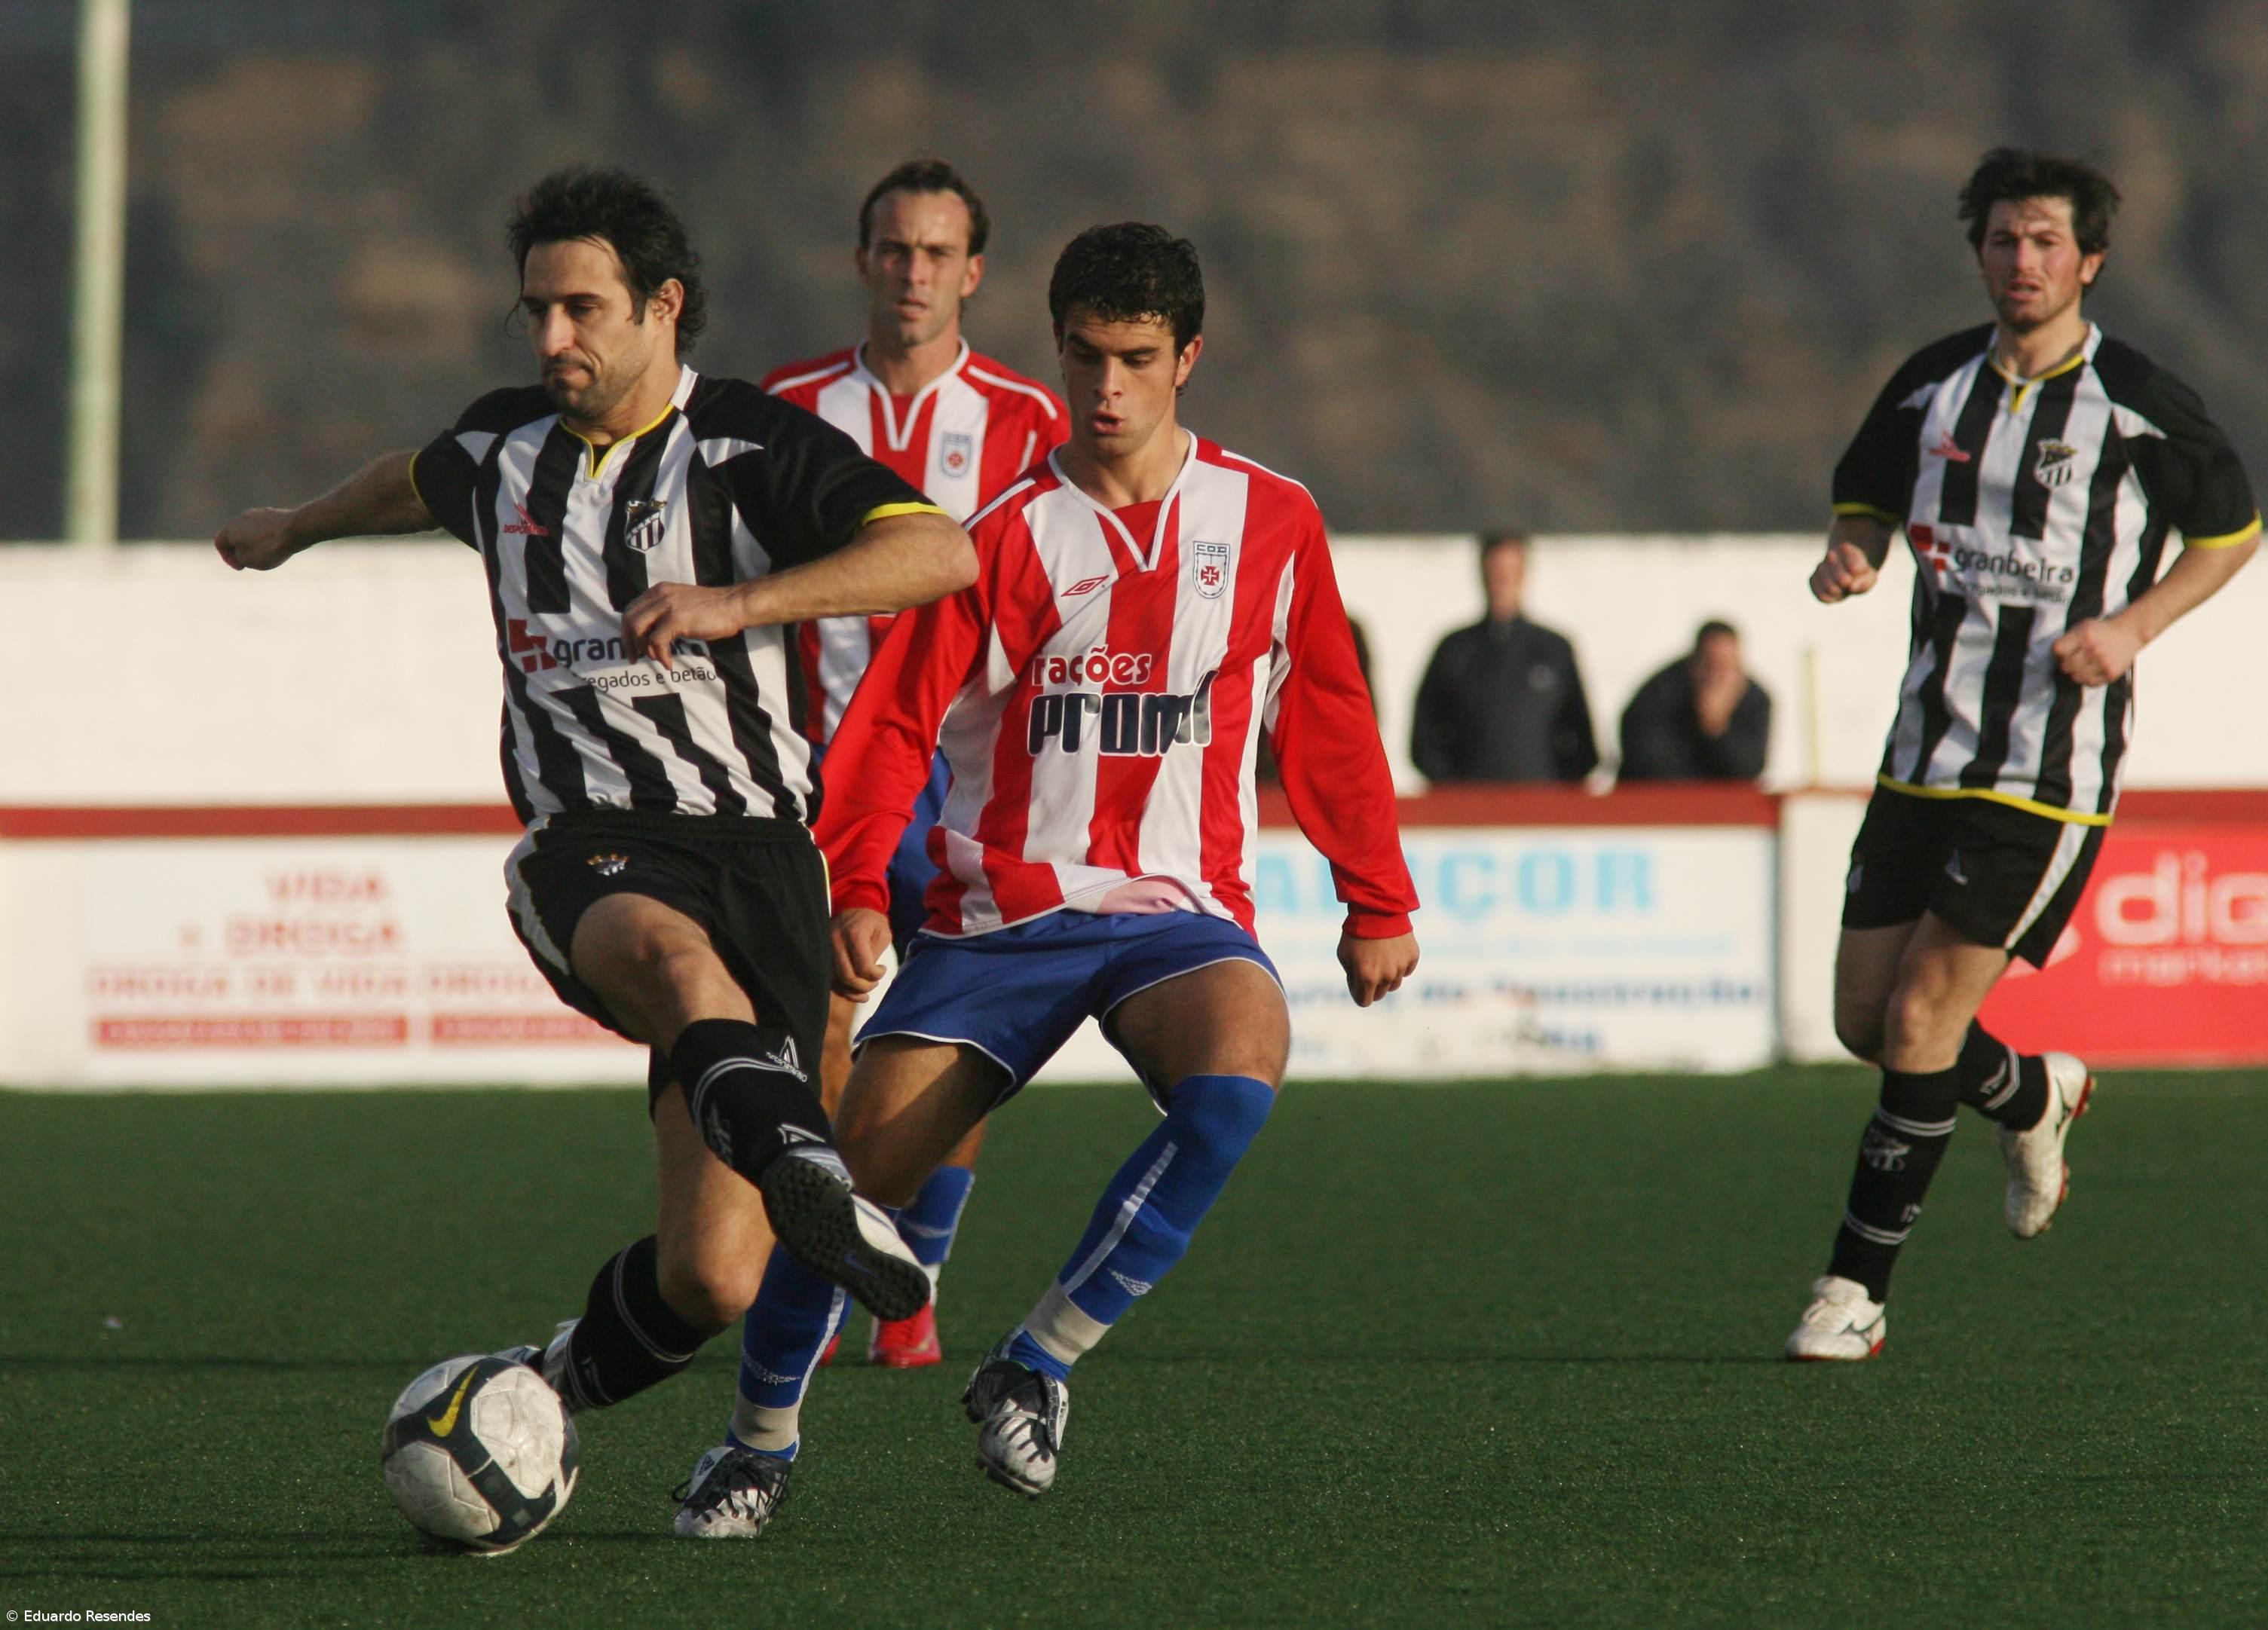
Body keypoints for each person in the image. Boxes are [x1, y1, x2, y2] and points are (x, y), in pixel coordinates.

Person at [212, 168, 978, 1488]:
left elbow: (938, 553)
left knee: (712, 1276)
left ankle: (533, 1391)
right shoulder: (502, 449)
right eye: (536, 311)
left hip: (761, 853)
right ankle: (804, 1155)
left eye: (581, 309)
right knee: (673, 961)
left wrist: (741, 603)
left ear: (663, 307)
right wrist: (295, 528)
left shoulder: (746, 446)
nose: (552, 336)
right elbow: (407, 482)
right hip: (591, 845)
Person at [674, 222, 1421, 1538]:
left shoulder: (1270, 517)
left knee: (1239, 1073)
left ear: (1188, 357)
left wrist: (1376, 895)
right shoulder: (1001, 535)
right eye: (1083, 357)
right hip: (997, 922)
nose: (1105, 387)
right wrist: (860, 880)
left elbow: (1326, 709)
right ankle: (756, 1442)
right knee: (841, 1192)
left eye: (1135, 358)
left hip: (1175, 914)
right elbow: (893, 724)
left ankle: (1036, 1358)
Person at [1786, 148, 2258, 1361]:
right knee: (1863, 1017)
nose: (2022, 260)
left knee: (1923, 1012)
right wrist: (1853, 551)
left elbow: (2232, 526)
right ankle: (2036, 1091)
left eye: (2046, 240)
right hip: (1920, 750)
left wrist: (2135, 625)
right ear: (1980, 253)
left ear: (2089, 261)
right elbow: (1863, 493)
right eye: (2003, 238)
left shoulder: (2136, 401)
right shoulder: (1932, 382)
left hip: (2048, 768)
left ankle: (1853, 1289)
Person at [759, 159, 1067, 1370]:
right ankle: (845, 1259)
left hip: (966, 771)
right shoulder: (790, 407)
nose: (914, 272)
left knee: (956, 1024)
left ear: (973, 272)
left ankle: (918, 1275)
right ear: (862, 260)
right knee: (827, 1016)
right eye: (895, 249)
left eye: (937, 252)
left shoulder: (1027, 419)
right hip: (819, 764)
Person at [1409, 533, 1598, 783]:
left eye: (1511, 573)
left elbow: (1583, 740)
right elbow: (1425, 734)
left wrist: (1557, 789)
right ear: (1482, 575)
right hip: (1471, 801)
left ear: (1524, 576)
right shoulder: (1456, 650)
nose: (1503, 582)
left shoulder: (1553, 650)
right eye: (1496, 572)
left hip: (1539, 798)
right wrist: (1451, 787)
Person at [1616, 620, 1772, 781]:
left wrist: (1717, 729)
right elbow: (1647, 762)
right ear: (1693, 664)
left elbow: (1750, 767)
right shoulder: (1660, 693)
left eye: (1726, 666)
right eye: (1710, 665)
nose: (1716, 677)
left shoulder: (1755, 700)